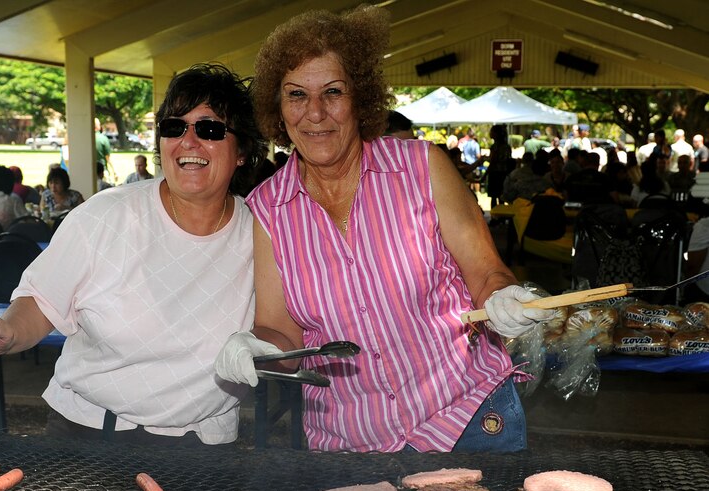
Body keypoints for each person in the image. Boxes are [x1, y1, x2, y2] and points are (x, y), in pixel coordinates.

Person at [215, 6, 553, 453]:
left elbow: (487, 273)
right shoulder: (268, 209)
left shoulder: (423, 168)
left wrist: (503, 297)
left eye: (333, 92)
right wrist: (255, 345)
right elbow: (282, 329)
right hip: (350, 443)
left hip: (465, 417)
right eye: (296, 95)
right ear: (278, 109)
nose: (314, 113)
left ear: (362, 97)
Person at [0, 63, 267, 446]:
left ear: (242, 151)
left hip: (204, 445)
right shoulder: (107, 214)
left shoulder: (261, 235)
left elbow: (280, 331)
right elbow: (41, 302)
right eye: (174, 127)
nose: (188, 142)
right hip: (90, 434)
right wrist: (6, 331)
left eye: (209, 129)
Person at [486, 123, 513, 208]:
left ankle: (495, 217)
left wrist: (485, 175)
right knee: (501, 197)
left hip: (495, 174)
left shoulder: (495, 147)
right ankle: (501, 217)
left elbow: (493, 162)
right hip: (504, 174)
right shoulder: (506, 146)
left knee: (494, 197)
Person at [95, 119, 117, 183]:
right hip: (102, 171)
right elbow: (108, 158)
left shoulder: (85, 139)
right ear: (98, 126)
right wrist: (114, 171)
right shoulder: (103, 139)